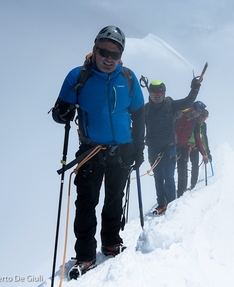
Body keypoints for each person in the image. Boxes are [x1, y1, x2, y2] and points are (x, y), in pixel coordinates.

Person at [51, 25, 145, 280]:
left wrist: (138, 147)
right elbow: (60, 111)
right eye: (103, 51)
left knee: (114, 199)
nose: (108, 58)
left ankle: (111, 242)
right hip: (91, 151)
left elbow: (138, 113)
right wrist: (63, 113)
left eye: (114, 54)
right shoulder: (78, 76)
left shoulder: (127, 77)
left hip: (122, 150)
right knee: (86, 203)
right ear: (94, 49)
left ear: (121, 55)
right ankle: (85, 254)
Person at [145, 78, 201, 215]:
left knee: (168, 177)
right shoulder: (145, 109)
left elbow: (187, 101)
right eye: (154, 93)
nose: (157, 96)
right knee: (158, 177)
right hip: (154, 148)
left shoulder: (170, 105)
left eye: (160, 93)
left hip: (169, 147)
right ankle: (161, 205)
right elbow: (138, 125)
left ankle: (171, 204)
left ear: (164, 93)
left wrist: (194, 89)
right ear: (150, 94)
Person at [175, 101, 208, 198]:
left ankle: (180, 195)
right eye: (197, 111)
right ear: (191, 108)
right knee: (169, 173)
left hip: (184, 148)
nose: (197, 114)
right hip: (172, 147)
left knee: (183, 173)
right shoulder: (179, 115)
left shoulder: (195, 123)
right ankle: (168, 197)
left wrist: (204, 153)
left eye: (199, 112)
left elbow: (199, 139)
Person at [188, 109, 211, 190]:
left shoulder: (203, 125)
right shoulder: (193, 122)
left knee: (195, 165)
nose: (203, 118)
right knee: (183, 167)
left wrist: (207, 152)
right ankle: (183, 186)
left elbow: (204, 138)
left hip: (195, 146)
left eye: (205, 117)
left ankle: (193, 184)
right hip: (185, 146)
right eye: (202, 116)